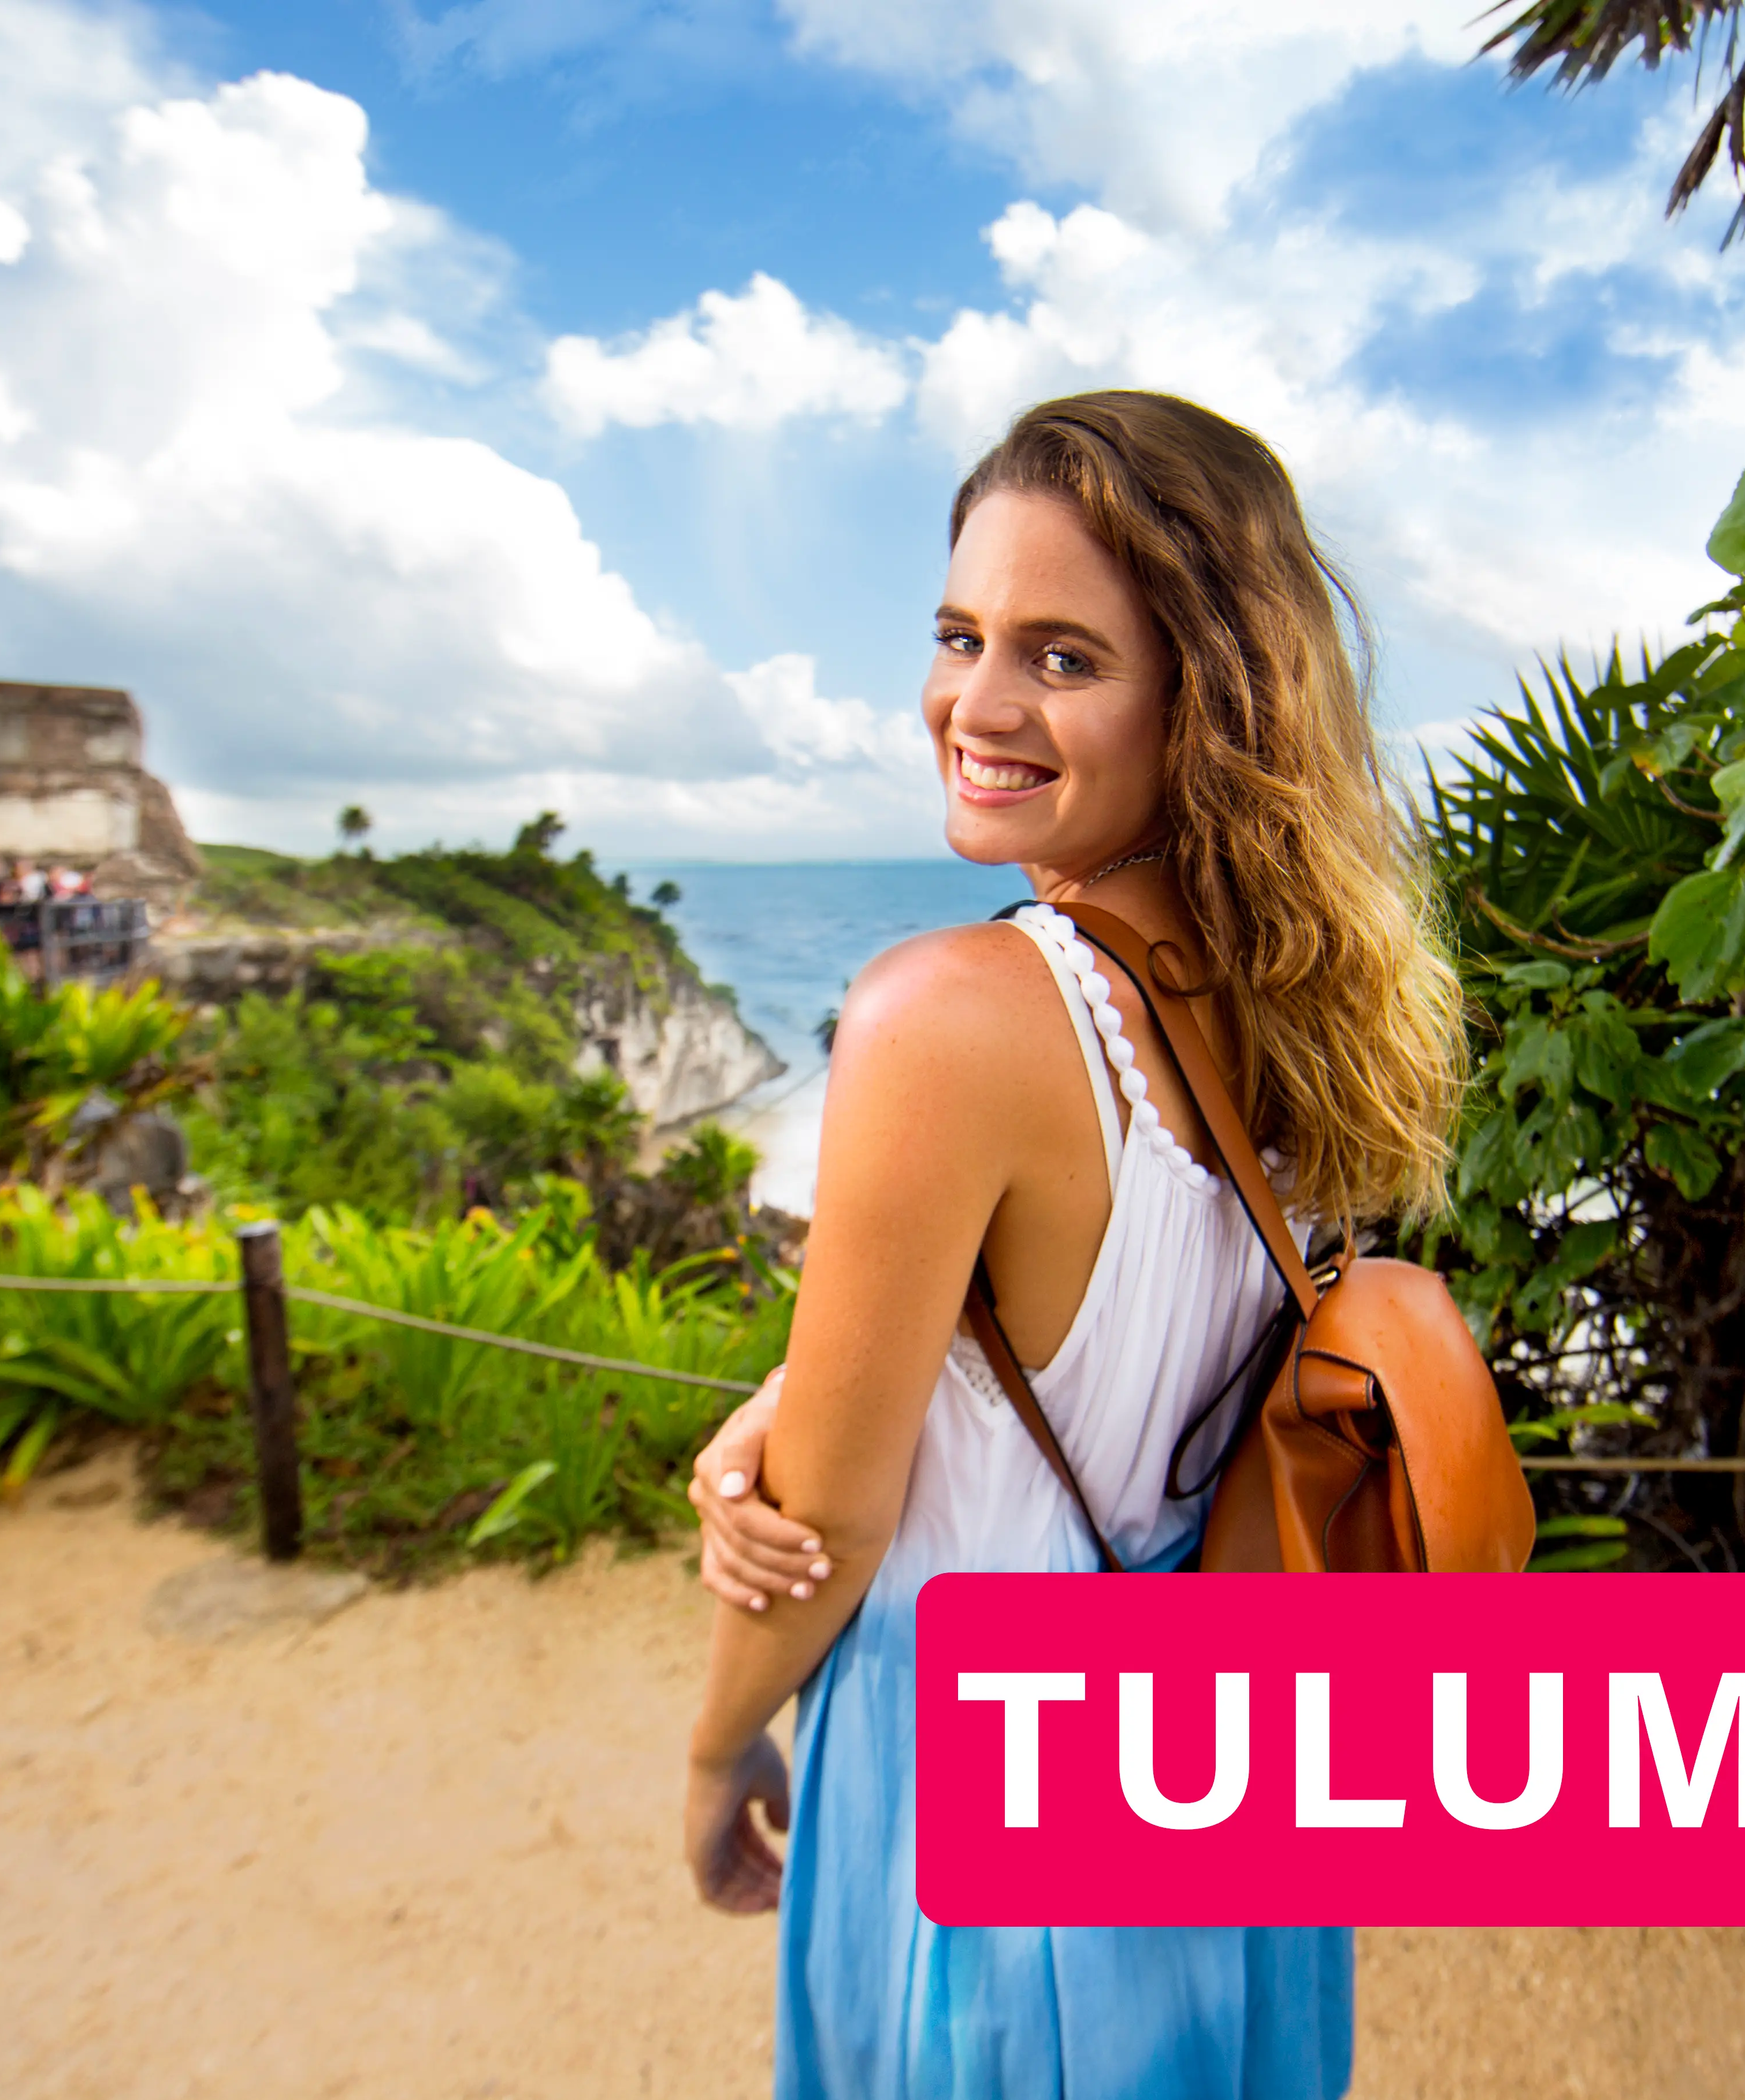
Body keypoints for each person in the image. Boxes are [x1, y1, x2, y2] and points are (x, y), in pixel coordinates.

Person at [678, 392, 1465, 2099]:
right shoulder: (1309, 1007)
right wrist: (819, 1381)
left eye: (1062, 657)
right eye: (960, 637)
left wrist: (715, 1744)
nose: (976, 704)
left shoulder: (947, 1013)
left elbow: (831, 1516)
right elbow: (1136, 1335)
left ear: (1205, 694)